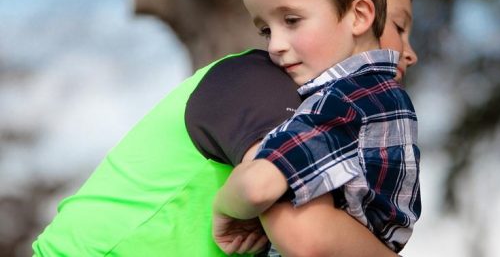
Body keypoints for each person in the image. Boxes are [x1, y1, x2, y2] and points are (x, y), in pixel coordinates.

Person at [31, 48, 393, 256]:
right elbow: (307, 236)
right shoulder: (264, 82)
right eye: (397, 26)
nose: (408, 52)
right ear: (354, 17)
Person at [213, 0, 421, 254]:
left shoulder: (347, 100)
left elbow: (257, 187)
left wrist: (223, 203)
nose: (274, 45)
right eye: (266, 30)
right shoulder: (378, 98)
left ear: (358, 16)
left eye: (291, 21)